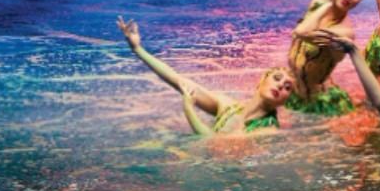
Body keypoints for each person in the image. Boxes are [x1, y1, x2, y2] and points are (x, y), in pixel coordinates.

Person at [116, 16, 292, 136]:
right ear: (262, 80)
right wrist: (138, 49)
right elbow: (178, 80)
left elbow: (214, 142)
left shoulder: (267, 130)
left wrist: (189, 110)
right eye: (277, 78)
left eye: (287, 87)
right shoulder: (227, 106)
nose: (280, 85)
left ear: (287, 100)